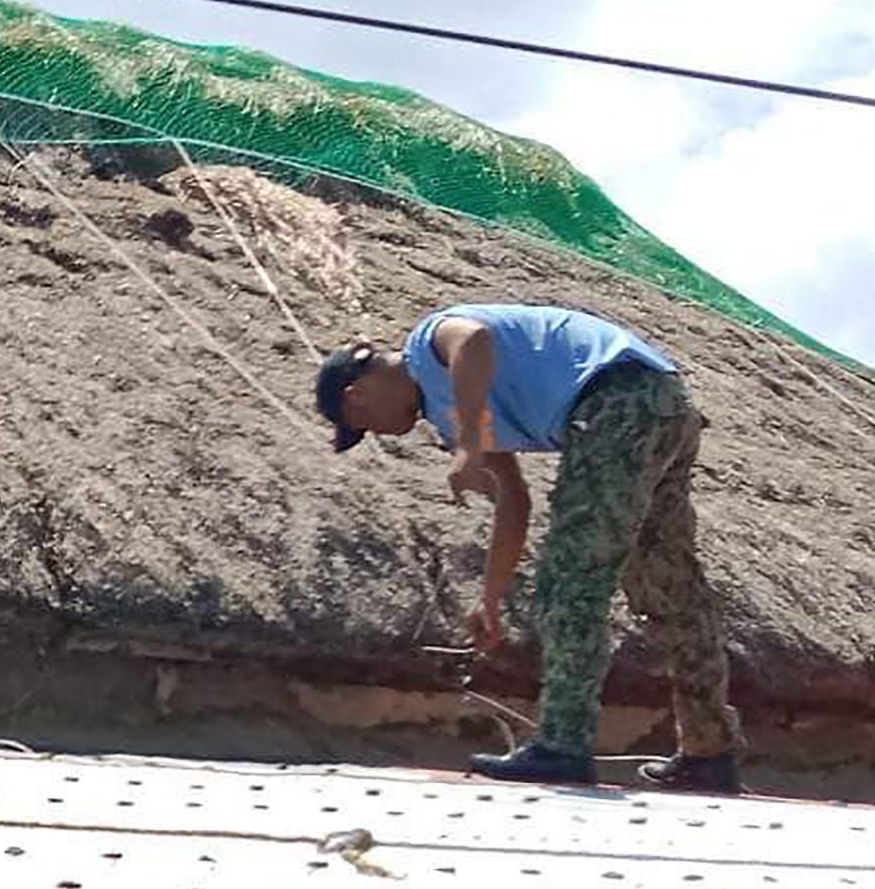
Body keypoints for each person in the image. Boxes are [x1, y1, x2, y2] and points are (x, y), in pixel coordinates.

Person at [315, 304, 745, 793]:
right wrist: (492, 600)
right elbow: (513, 501)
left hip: (614, 402)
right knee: (670, 586)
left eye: (364, 424)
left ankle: (563, 745)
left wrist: (471, 446)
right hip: (662, 403)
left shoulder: (429, 341)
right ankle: (709, 751)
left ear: (357, 396)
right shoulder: (452, 415)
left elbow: (473, 340)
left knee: (572, 579)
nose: (380, 433)